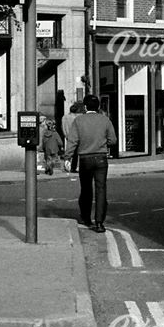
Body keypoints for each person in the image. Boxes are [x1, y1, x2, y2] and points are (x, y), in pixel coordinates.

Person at [64, 95, 118, 233]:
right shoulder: (105, 120)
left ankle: (86, 218)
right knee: (101, 190)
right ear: (98, 107)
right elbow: (113, 140)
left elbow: (72, 141)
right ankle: (99, 223)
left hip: (85, 159)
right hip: (101, 158)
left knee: (86, 189)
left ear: (85, 107)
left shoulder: (79, 121)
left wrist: (67, 158)